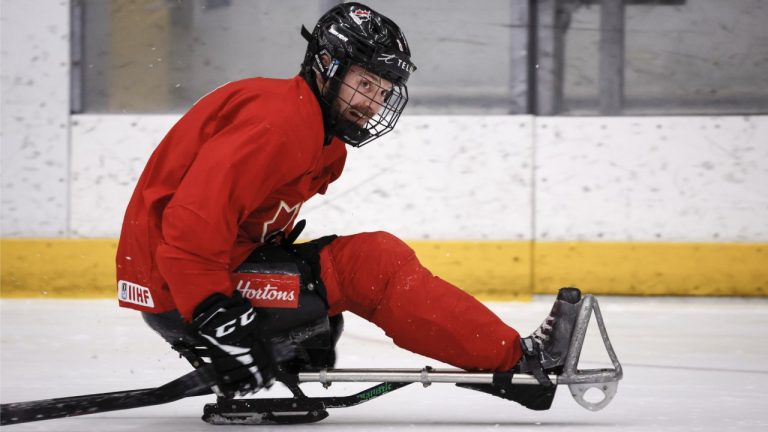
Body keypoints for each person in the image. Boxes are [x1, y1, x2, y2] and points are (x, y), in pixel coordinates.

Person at [115, 2, 580, 405]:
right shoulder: (276, 125)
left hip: (193, 279)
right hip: (181, 292)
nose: (373, 103)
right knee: (369, 268)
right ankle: (519, 362)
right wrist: (218, 315)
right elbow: (191, 226)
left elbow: (235, 222)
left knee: (363, 262)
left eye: (382, 91)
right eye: (365, 84)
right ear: (325, 64)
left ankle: (508, 358)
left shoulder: (318, 135)